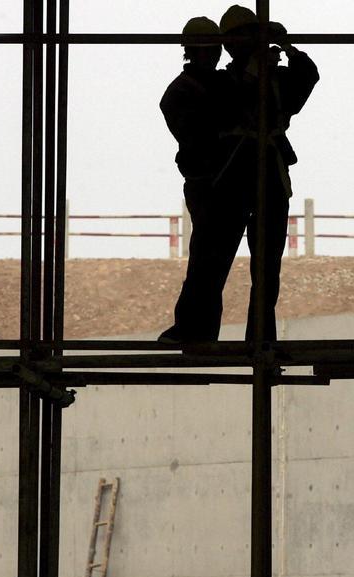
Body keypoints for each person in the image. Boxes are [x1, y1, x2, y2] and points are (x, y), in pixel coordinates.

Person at [215, 4, 319, 341]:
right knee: (218, 259)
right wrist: (255, 74)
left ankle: (260, 333)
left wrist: (287, 46)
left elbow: (308, 74)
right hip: (235, 172)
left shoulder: (277, 80)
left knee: (267, 264)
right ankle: (209, 330)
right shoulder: (223, 81)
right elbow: (230, 107)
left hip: (264, 174)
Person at [158, 17, 235, 343]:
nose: (213, 55)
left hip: (224, 181)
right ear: (191, 51)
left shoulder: (216, 84)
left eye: (215, 49)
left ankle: (198, 331)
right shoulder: (181, 93)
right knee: (207, 259)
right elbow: (197, 135)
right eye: (207, 49)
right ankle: (195, 329)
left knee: (211, 261)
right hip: (208, 182)